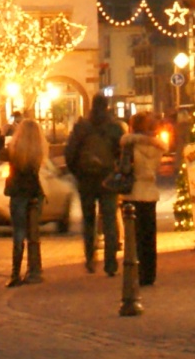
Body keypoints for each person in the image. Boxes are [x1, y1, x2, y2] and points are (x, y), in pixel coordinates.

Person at [65, 91, 126, 275]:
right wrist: (116, 172)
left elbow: (70, 153)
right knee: (109, 220)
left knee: (89, 220)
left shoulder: (82, 127)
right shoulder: (115, 127)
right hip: (107, 178)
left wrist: (78, 173)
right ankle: (110, 263)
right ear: (107, 106)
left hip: (86, 179)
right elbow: (121, 154)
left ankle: (90, 258)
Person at [0, 118, 47, 285]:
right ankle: (34, 271)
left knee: (18, 233)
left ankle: (15, 274)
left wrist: (2, 134)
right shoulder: (39, 150)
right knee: (33, 234)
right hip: (34, 193)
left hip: (18, 193)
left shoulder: (15, 150)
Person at [119, 112, 163, 286]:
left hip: (133, 192)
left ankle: (136, 271)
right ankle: (150, 273)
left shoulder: (129, 145)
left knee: (134, 236)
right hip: (150, 192)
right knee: (149, 235)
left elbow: (124, 168)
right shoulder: (157, 147)